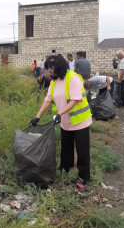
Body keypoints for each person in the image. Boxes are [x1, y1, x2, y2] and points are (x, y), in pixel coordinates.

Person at [30, 55, 92, 189]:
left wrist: (60, 113)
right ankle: (65, 170)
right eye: (49, 69)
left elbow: (75, 100)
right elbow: (48, 99)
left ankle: (83, 176)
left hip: (80, 121)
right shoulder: (54, 82)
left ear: (59, 67)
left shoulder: (73, 78)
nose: (50, 71)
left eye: (52, 68)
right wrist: (38, 116)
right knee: (66, 149)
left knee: (82, 150)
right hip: (65, 122)